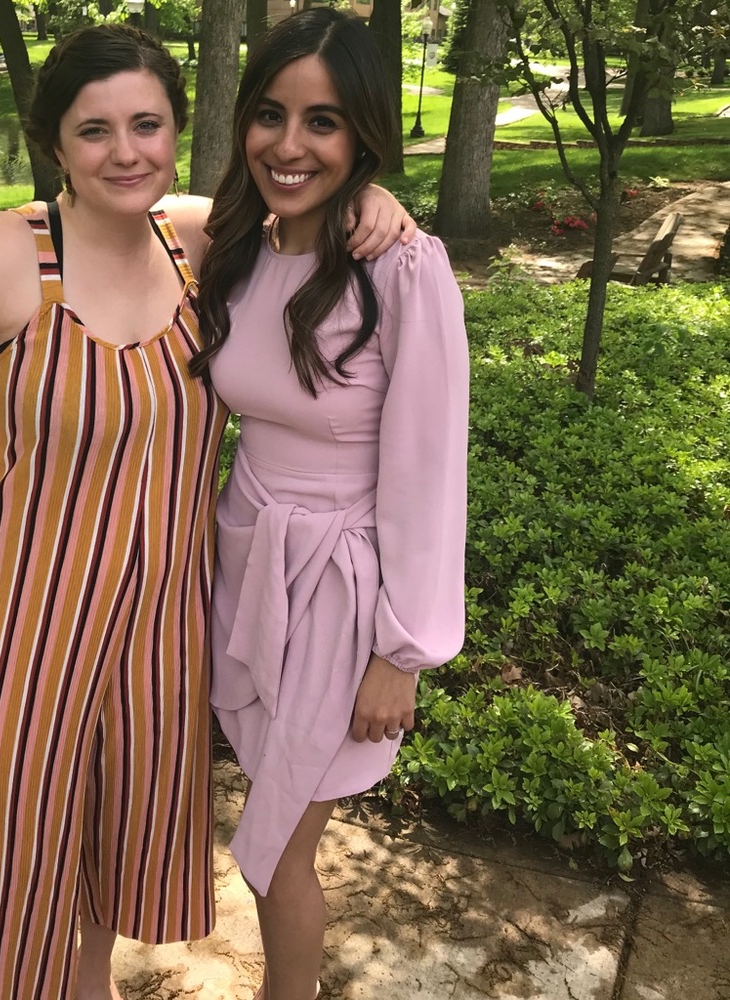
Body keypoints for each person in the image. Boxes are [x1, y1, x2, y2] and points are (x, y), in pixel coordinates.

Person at [0, 23, 415, 1000]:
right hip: (25, 624)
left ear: (174, 130)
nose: (127, 152)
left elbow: (307, 198)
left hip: (162, 626)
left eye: (148, 125)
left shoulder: (196, 236)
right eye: (95, 131)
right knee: (20, 857)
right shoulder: (1, 257)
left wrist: (373, 194)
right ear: (54, 143)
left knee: (119, 845)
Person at [194, 9, 470, 1000]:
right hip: (245, 571)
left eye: (322, 121)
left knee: (274, 847)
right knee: (272, 834)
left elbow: (430, 471)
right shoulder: (235, 248)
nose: (289, 144)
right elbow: (121, 197)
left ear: (361, 132)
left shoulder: (402, 268)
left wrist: (400, 653)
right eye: (270, 115)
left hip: (336, 598)